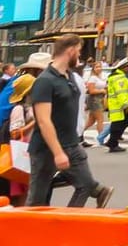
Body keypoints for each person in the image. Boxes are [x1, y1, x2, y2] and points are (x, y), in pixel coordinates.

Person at [26, 35, 112, 208]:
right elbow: (43, 120)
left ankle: (65, 225)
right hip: (46, 148)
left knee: (86, 185)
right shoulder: (45, 81)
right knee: (38, 200)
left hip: (71, 144)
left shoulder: (70, 76)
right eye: (79, 51)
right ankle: (31, 230)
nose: (79, 57)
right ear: (71, 50)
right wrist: (57, 152)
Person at [7, 73, 35, 206]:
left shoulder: (32, 106)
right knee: (23, 193)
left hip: (32, 151)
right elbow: (14, 133)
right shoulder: (18, 109)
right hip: (22, 154)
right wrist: (34, 123)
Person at [103, 55, 128, 152]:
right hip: (120, 107)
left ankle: (112, 142)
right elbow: (121, 93)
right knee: (118, 125)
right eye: (127, 67)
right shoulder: (119, 78)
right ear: (123, 68)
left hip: (117, 106)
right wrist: (126, 105)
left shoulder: (118, 76)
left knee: (119, 124)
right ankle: (113, 143)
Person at [84, 58, 107, 140]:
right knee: (100, 119)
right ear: (93, 69)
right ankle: (101, 137)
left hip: (100, 99)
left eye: (100, 67)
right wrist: (102, 90)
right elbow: (91, 91)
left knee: (91, 121)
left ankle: (78, 134)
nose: (99, 68)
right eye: (97, 67)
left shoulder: (99, 77)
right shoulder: (92, 78)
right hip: (94, 100)